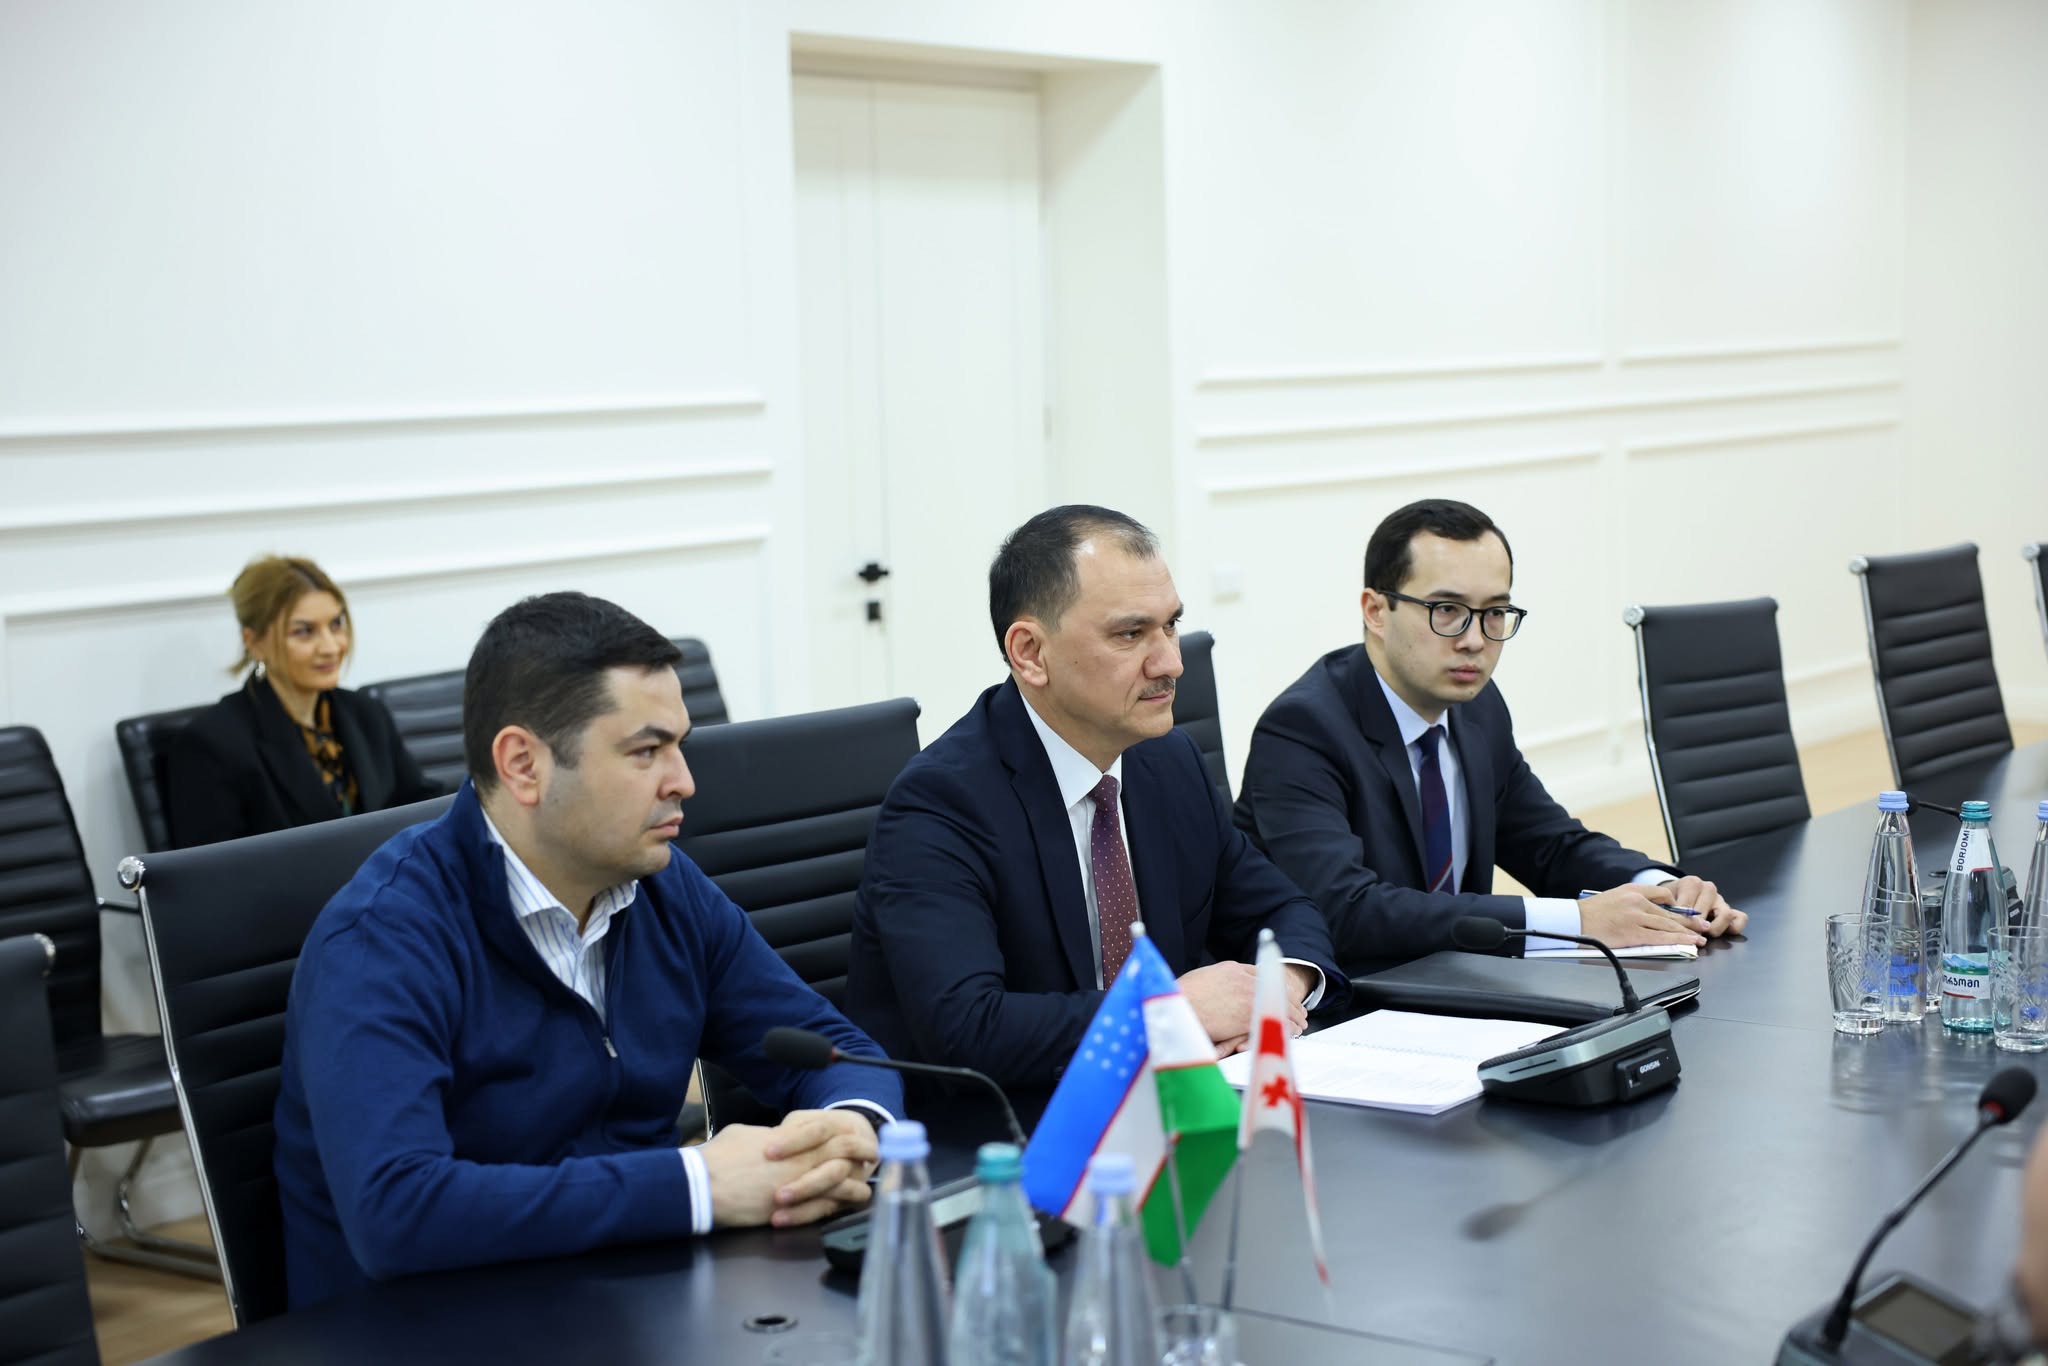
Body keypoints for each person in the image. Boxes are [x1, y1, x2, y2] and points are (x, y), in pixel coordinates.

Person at [273, 592, 902, 1308]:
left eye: (679, 746)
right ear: (523, 765)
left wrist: (849, 1130)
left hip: (627, 1296)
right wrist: (696, 1184)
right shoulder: (381, 939)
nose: (684, 782)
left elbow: (839, 1052)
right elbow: (397, 1211)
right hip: (425, 1326)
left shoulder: (663, 887)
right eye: (646, 751)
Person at [848, 505, 1346, 1091]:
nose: (1171, 662)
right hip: (1010, 1124)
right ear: (1030, 653)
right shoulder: (941, 803)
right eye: (1130, 634)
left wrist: (1277, 988)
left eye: (1170, 625)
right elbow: (968, 1027)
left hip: (1171, 1101)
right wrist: (1167, 1012)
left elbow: (1282, 909)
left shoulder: (1168, 761)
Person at [1233, 498, 1748, 972]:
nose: (1475, 640)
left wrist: (1661, 889)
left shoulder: (1476, 707)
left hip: (1458, 983)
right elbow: (1346, 911)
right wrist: (1578, 922)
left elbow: (1549, 845)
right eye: (1447, 611)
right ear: (1375, 611)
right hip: (1344, 1002)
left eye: (1495, 613)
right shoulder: (1303, 729)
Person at [165, 555, 442, 847]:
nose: (330, 646)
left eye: (336, 624)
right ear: (254, 642)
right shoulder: (212, 744)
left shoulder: (366, 713)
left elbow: (422, 807)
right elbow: (213, 868)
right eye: (304, 632)